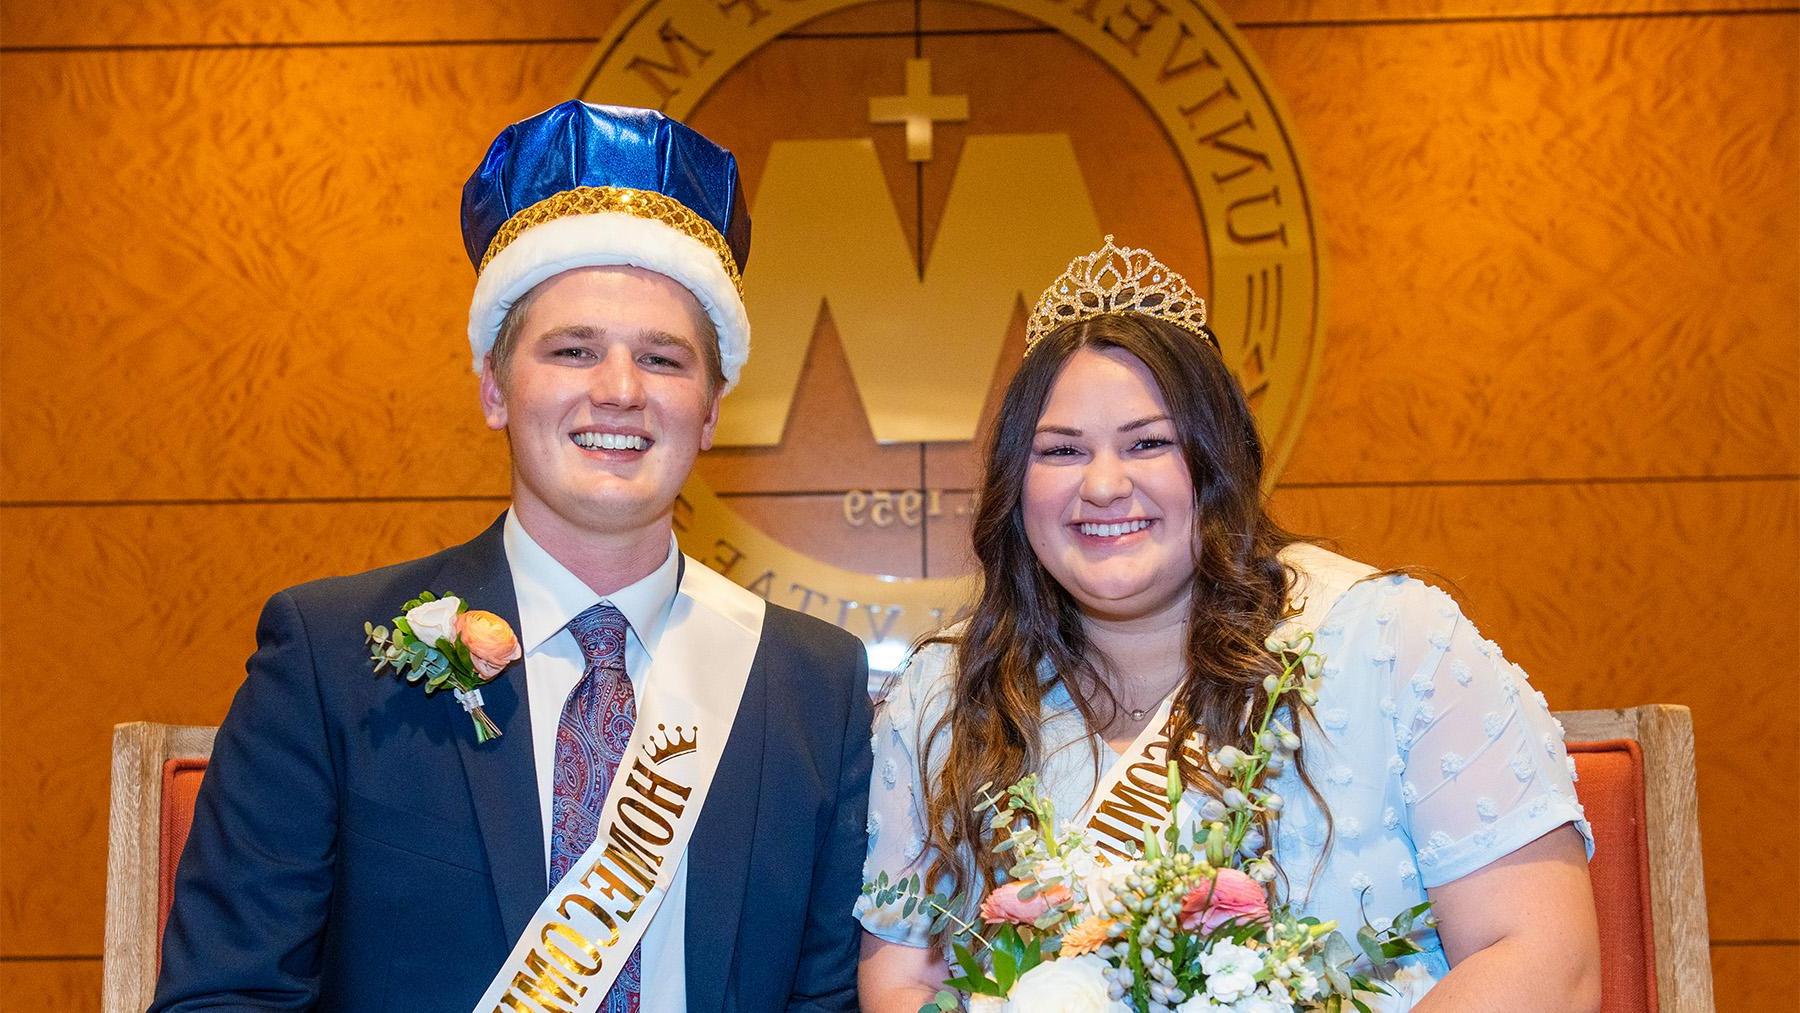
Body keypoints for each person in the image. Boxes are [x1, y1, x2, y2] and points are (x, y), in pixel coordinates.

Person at [153, 101, 871, 1012]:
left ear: (712, 408)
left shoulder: (814, 685)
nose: (619, 391)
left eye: (663, 359)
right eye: (572, 350)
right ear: (495, 387)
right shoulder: (330, 658)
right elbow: (225, 996)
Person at [855, 237, 1600, 1010]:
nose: (1105, 485)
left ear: (1218, 459)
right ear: (1016, 480)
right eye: (1061, 451)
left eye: (1149, 442)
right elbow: (905, 978)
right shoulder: (945, 695)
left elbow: (1543, 957)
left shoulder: (1387, 641)